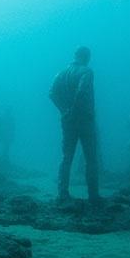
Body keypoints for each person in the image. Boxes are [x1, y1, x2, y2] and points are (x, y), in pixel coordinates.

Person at [49, 46, 100, 204]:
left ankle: (62, 193)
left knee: (66, 157)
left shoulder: (61, 73)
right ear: (87, 56)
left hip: (67, 120)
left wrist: (64, 110)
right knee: (90, 158)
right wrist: (73, 111)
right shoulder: (86, 71)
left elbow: (51, 93)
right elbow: (82, 92)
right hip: (84, 119)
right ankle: (93, 195)